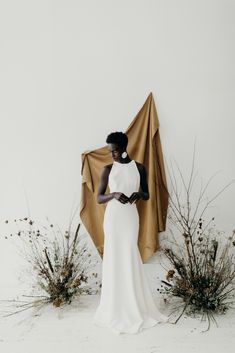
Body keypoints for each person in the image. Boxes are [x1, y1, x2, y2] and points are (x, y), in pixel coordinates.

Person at [92, 131, 169, 334]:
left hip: (130, 217)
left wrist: (139, 194)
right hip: (113, 218)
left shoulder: (139, 168)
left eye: (115, 151)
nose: (112, 155)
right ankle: (114, 306)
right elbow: (99, 198)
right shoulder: (108, 169)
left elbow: (147, 193)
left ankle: (133, 303)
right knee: (113, 256)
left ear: (124, 147)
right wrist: (114, 194)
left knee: (129, 253)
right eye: (110, 151)